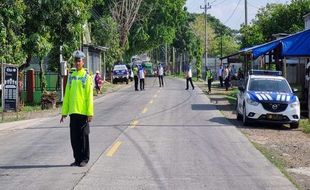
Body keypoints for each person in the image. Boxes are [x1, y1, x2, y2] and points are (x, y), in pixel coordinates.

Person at [60, 50, 94, 167]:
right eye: (76, 61)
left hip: (83, 113)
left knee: (83, 137)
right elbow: (67, 95)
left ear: (83, 62)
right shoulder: (71, 77)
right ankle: (77, 158)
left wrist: (90, 113)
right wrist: (64, 112)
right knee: (74, 138)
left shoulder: (86, 77)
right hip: (73, 112)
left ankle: (85, 159)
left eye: (79, 61)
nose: (77, 63)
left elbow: (89, 97)